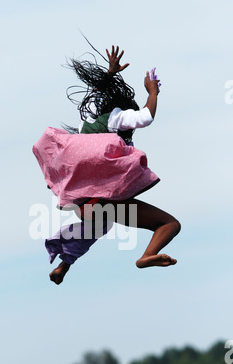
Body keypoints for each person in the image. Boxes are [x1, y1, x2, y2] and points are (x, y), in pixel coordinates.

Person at [33, 46, 181, 285]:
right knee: (169, 224)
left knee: (98, 224)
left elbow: (95, 95)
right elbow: (146, 117)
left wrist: (110, 73)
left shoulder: (88, 120)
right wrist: (152, 93)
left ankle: (63, 266)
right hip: (105, 199)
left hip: (82, 202)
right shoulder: (118, 117)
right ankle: (146, 256)